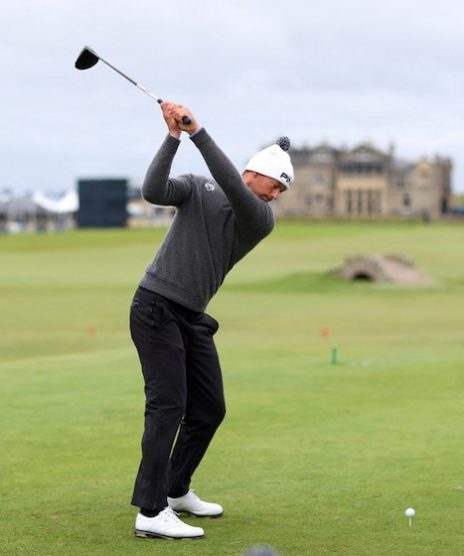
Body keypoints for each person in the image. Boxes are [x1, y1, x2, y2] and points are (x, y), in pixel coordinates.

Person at [130, 101, 293, 540]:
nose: (275, 195)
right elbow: (153, 190)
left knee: (209, 408)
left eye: (281, 191)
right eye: (275, 184)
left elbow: (231, 186)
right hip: (155, 306)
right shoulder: (197, 187)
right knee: (168, 406)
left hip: (191, 316)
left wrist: (199, 132)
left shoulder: (259, 218)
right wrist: (173, 138)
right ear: (253, 171)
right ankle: (150, 511)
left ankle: (175, 488)